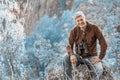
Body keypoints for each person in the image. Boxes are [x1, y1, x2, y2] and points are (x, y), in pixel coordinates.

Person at [63, 11, 107, 80]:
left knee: (99, 69)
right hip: (79, 57)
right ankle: (68, 78)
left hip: (92, 57)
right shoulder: (73, 31)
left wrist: (100, 57)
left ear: (84, 18)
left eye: (81, 19)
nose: (80, 22)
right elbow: (69, 45)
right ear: (75, 21)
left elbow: (103, 44)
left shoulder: (94, 28)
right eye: (78, 21)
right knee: (65, 57)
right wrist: (71, 54)